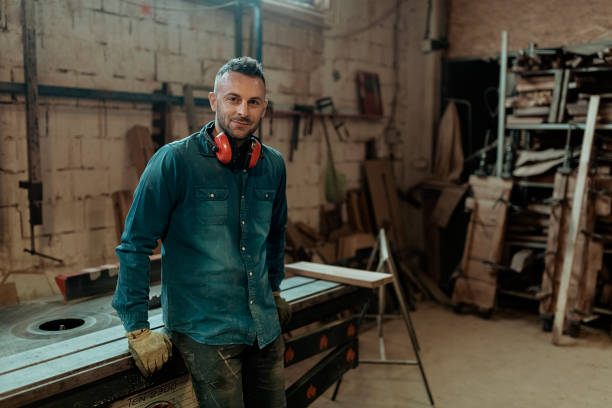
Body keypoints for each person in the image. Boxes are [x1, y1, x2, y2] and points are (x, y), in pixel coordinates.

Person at [112, 56, 290, 408]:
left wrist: (274, 288)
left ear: (264, 108)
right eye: (233, 99)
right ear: (213, 101)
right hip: (205, 332)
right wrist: (137, 327)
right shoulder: (174, 161)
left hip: (263, 329)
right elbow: (135, 245)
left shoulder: (272, 165)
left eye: (253, 102)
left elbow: (275, 234)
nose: (243, 110)